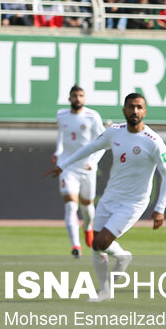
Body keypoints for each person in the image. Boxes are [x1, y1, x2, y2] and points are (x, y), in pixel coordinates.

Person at [46, 93, 166, 302]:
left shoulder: (154, 142)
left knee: (102, 241)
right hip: (109, 197)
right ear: (124, 110)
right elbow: (90, 148)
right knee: (96, 245)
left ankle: (116, 268)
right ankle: (107, 286)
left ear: (145, 111)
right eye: (131, 107)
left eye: (139, 107)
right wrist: (63, 165)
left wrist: (161, 207)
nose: (135, 111)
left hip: (133, 203)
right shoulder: (114, 132)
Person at [52, 85, 105, 258]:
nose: (78, 99)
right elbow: (61, 137)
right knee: (70, 206)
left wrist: (93, 161)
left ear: (84, 98)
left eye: (81, 95)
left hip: (86, 167)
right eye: (75, 96)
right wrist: (57, 153)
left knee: (87, 207)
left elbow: (103, 142)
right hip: (68, 166)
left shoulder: (92, 116)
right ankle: (76, 245)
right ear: (69, 98)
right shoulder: (61, 115)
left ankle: (88, 227)